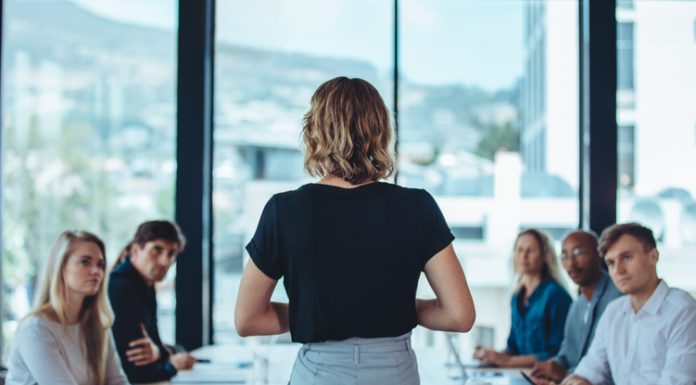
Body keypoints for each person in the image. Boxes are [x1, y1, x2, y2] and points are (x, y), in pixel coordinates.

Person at [234, 76, 476, 385]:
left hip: (319, 373)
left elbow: (248, 319)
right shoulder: (418, 206)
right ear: (381, 131)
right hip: (394, 372)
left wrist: (322, 311)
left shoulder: (284, 210)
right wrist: (390, 307)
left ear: (314, 131)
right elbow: (459, 315)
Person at [560, 223, 696, 385]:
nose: (618, 270)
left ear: (653, 256)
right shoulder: (614, 311)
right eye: (611, 262)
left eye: (626, 257)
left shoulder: (683, 311)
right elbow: (588, 371)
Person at [6, 231, 129, 385]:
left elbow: (117, 382)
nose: (97, 271)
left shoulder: (98, 325)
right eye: (85, 262)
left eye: (100, 264)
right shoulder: (35, 329)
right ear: (61, 267)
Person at [109, 220, 196, 383]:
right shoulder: (121, 287)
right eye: (157, 250)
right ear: (135, 250)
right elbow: (136, 372)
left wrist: (160, 352)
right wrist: (172, 364)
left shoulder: (145, 286)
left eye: (171, 254)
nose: (166, 261)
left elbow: (156, 346)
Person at [530, 230, 622, 383]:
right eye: (564, 256)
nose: (571, 263)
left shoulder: (619, 298)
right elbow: (566, 353)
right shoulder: (576, 306)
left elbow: (610, 365)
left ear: (598, 255)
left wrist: (565, 374)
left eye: (578, 253)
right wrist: (554, 366)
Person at [474, 229, 572, 368]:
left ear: (545, 256)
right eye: (519, 250)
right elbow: (513, 348)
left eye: (530, 250)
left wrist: (508, 362)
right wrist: (492, 356)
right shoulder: (516, 296)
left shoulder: (556, 295)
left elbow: (557, 352)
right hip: (519, 374)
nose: (523, 256)